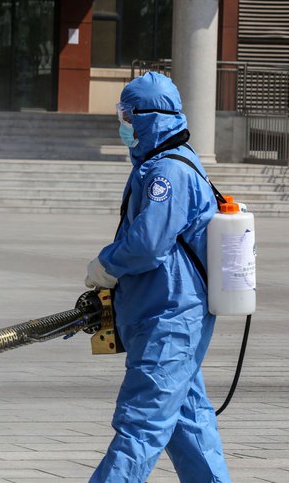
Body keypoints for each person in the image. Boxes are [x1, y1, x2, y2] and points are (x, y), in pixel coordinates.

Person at [84, 72, 231, 482]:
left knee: (140, 426)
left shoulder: (169, 172)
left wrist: (107, 265)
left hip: (168, 317)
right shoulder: (162, 165)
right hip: (166, 314)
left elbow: (149, 243)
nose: (123, 123)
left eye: (127, 115)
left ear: (148, 117)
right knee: (189, 425)